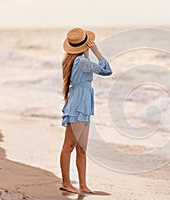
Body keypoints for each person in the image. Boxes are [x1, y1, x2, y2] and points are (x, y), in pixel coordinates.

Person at [59, 27, 112, 194]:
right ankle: (66, 183)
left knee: (81, 148)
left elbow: (86, 67)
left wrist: (86, 51)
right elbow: (106, 70)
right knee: (69, 146)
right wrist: (96, 51)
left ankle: (83, 185)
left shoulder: (76, 61)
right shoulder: (81, 62)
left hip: (82, 104)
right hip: (79, 105)